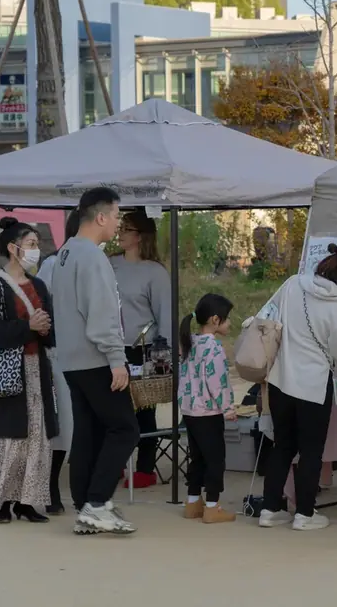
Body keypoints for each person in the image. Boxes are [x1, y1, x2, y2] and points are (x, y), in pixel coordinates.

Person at [259, 244, 337, 531]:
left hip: (280, 379)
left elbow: (266, 316)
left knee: (282, 446)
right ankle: (305, 513)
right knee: (311, 451)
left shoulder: (293, 284)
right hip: (313, 385)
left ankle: (270, 508)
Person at [52, 187, 138, 535]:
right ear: (100, 216)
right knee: (125, 429)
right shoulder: (91, 256)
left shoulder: (66, 254)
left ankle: (86, 505)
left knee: (88, 431)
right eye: (117, 216)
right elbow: (101, 313)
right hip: (95, 358)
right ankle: (97, 502)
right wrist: (117, 359)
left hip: (72, 359)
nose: (118, 223)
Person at [0, 221, 57, 524]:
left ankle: (26, 501)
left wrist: (45, 329)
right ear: (13, 247)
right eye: (31, 243)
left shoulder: (38, 286)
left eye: (36, 244)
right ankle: (1, 502)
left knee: (37, 436)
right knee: (9, 438)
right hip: (8, 372)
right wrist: (28, 327)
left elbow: (49, 330)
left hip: (36, 369)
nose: (36, 249)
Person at [110, 209, 171, 490]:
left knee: (144, 411)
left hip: (143, 350)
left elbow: (165, 314)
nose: (120, 233)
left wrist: (163, 352)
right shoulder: (108, 265)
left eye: (127, 229)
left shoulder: (155, 272)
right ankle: (115, 464)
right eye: (120, 227)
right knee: (112, 411)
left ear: (140, 236)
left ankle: (145, 468)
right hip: (110, 348)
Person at [35, 209, 81, 515]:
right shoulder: (53, 264)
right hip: (58, 354)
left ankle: (70, 487)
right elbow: (38, 305)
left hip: (86, 353)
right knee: (62, 421)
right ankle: (50, 486)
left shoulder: (97, 263)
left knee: (76, 424)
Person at [178, 293, 238, 524]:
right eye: (227, 318)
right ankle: (213, 506)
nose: (229, 323)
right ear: (215, 320)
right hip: (209, 413)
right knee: (215, 459)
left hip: (190, 411)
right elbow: (218, 382)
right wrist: (228, 408)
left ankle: (193, 502)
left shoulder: (189, 343)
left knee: (197, 457)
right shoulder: (213, 348)